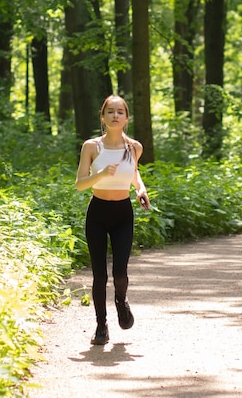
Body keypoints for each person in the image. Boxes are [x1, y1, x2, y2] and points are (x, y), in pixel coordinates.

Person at [75, 95, 150, 346]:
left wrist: (141, 190)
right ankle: (101, 326)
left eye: (120, 112)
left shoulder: (134, 148)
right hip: (97, 213)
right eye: (110, 112)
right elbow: (79, 185)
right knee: (99, 275)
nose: (115, 115)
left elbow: (134, 174)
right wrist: (99, 173)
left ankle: (121, 300)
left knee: (119, 272)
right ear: (102, 117)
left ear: (126, 118)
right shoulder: (92, 147)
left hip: (122, 214)